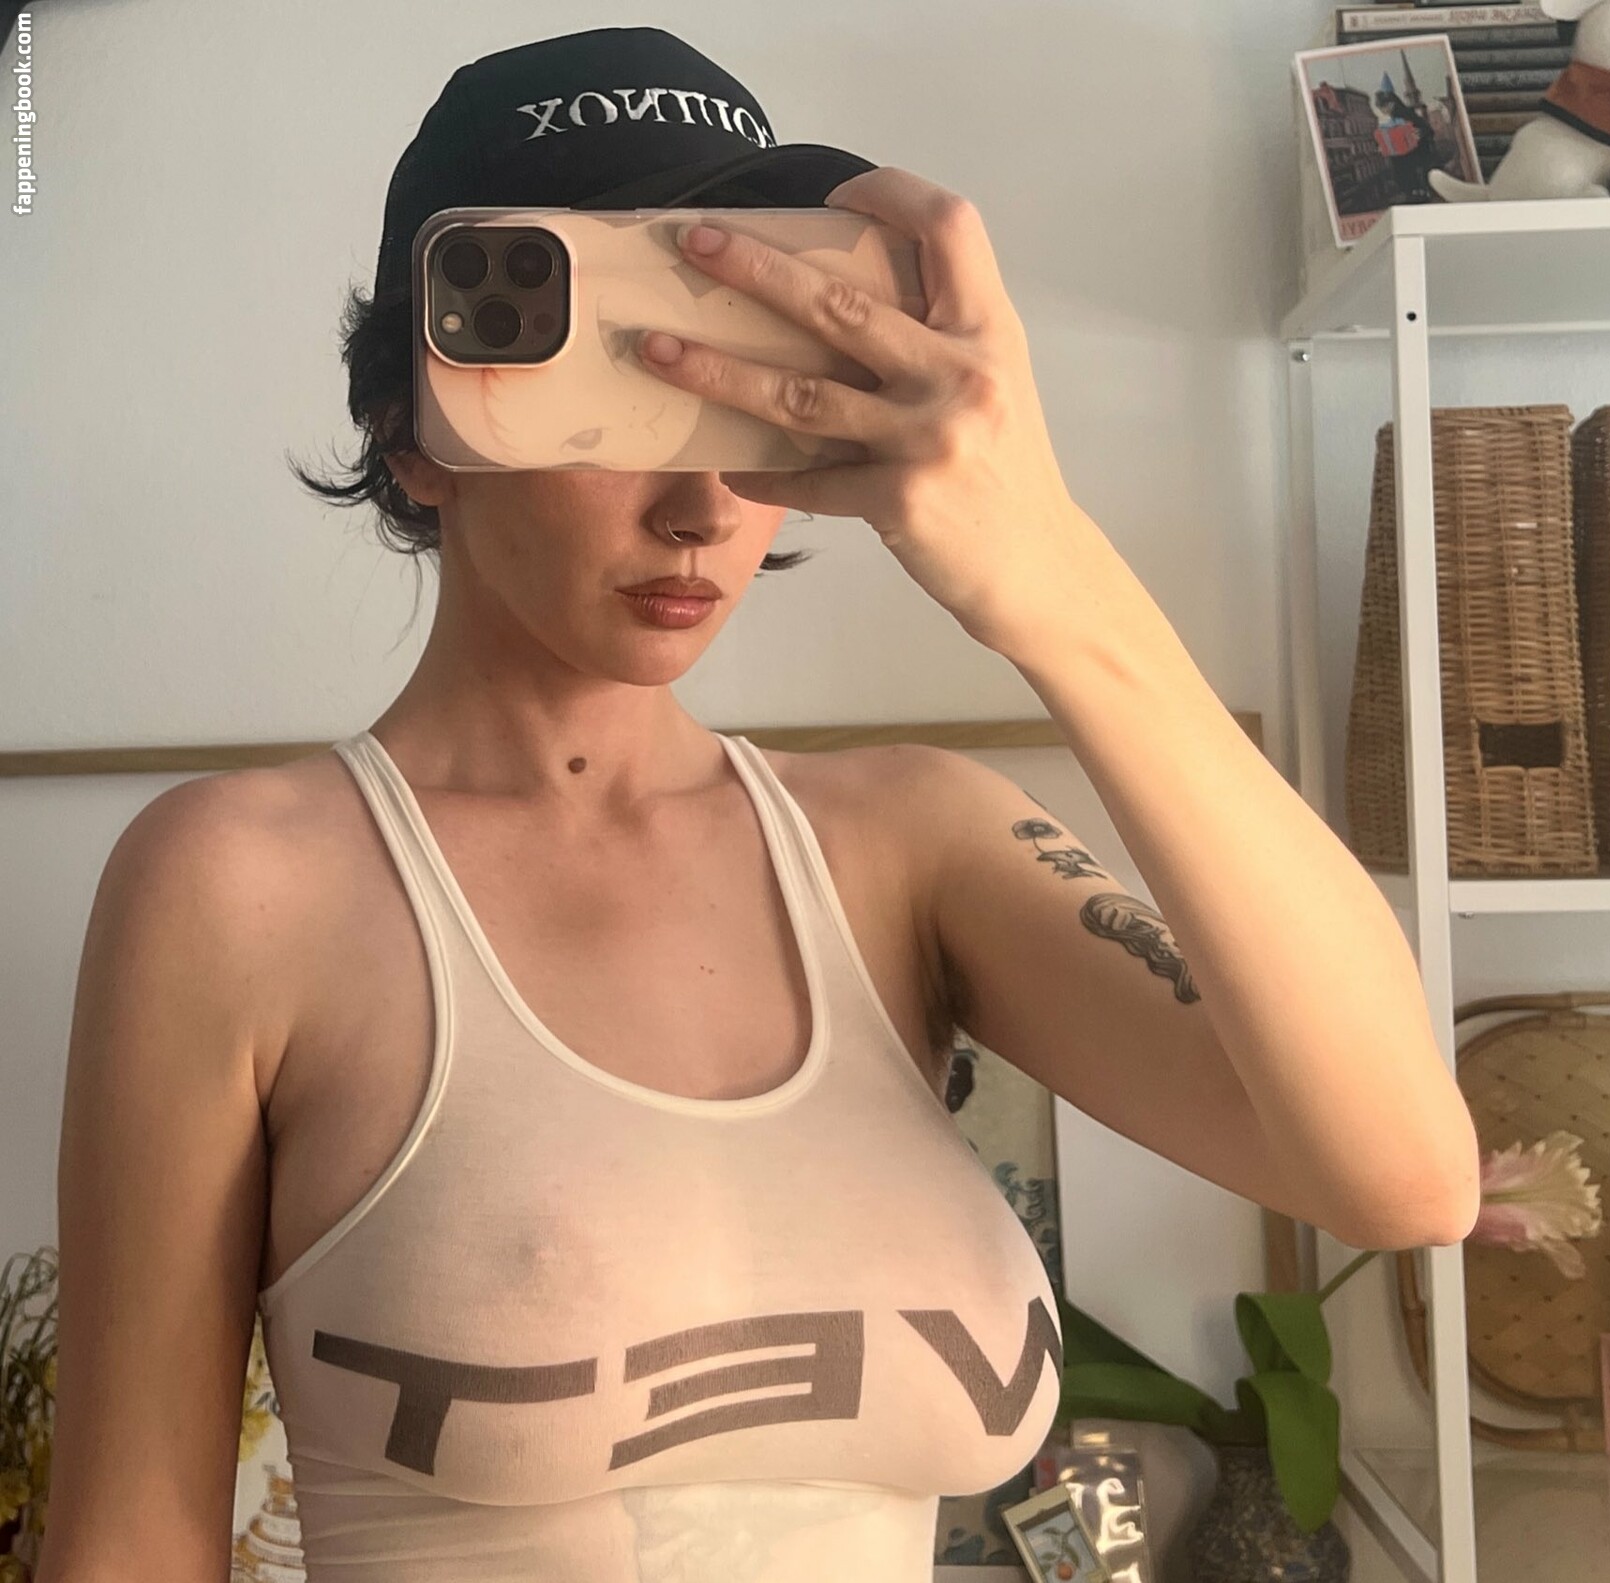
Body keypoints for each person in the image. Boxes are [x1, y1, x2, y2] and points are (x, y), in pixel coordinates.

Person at [38, 24, 1479, 1583]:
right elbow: (130, 1542)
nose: (699, 506)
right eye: (615, 390)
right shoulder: (243, 888)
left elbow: (1403, 1173)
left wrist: (1052, 575)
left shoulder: (912, 845)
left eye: (737, 391)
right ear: (415, 429)